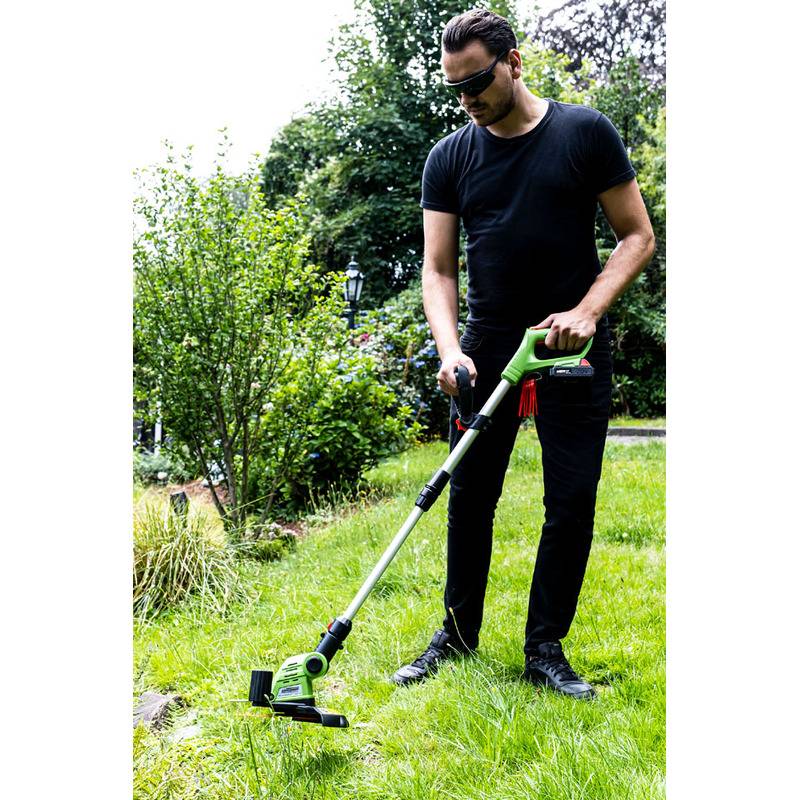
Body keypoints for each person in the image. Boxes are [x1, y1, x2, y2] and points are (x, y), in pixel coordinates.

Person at [391, 9, 655, 699]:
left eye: (477, 81)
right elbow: (439, 269)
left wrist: (587, 312)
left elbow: (636, 236)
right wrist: (449, 350)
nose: (467, 99)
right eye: (455, 87)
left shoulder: (583, 133)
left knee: (571, 503)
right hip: (485, 349)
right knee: (469, 498)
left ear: (514, 63)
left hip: (567, 345)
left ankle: (545, 649)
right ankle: (456, 633)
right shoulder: (450, 156)